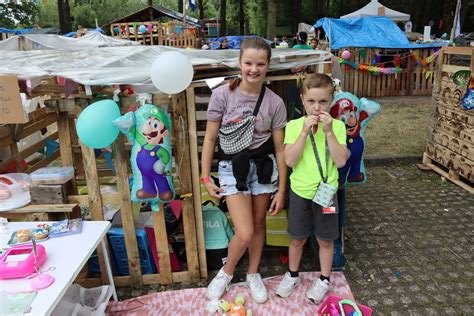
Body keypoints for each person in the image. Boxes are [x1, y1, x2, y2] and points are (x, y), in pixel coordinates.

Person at [201, 37, 287, 303]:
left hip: (263, 169)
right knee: (245, 231)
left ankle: (252, 274)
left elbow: (281, 149)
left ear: (268, 66)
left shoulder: (275, 102)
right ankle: (226, 273)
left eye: (260, 64)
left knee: (259, 224)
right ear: (239, 63)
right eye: (248, 63)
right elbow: (210, 139)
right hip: (231, 168)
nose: (254, 69)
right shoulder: (222, 95)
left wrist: (282, 190)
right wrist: (205, 176)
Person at [276, 74, 349, 303]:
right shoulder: (295, 125)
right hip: (300, 192)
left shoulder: (337, 127)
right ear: (302, 100)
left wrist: (328, 132)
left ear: (332, 100)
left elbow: (340, 161)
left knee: (325, 239)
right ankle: (293, 274)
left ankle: (324, 279)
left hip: (326, 194)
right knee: (297, 238)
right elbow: (289, 160)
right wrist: (304, 132)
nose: (317, 108)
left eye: (323, 102)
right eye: (311, 102)